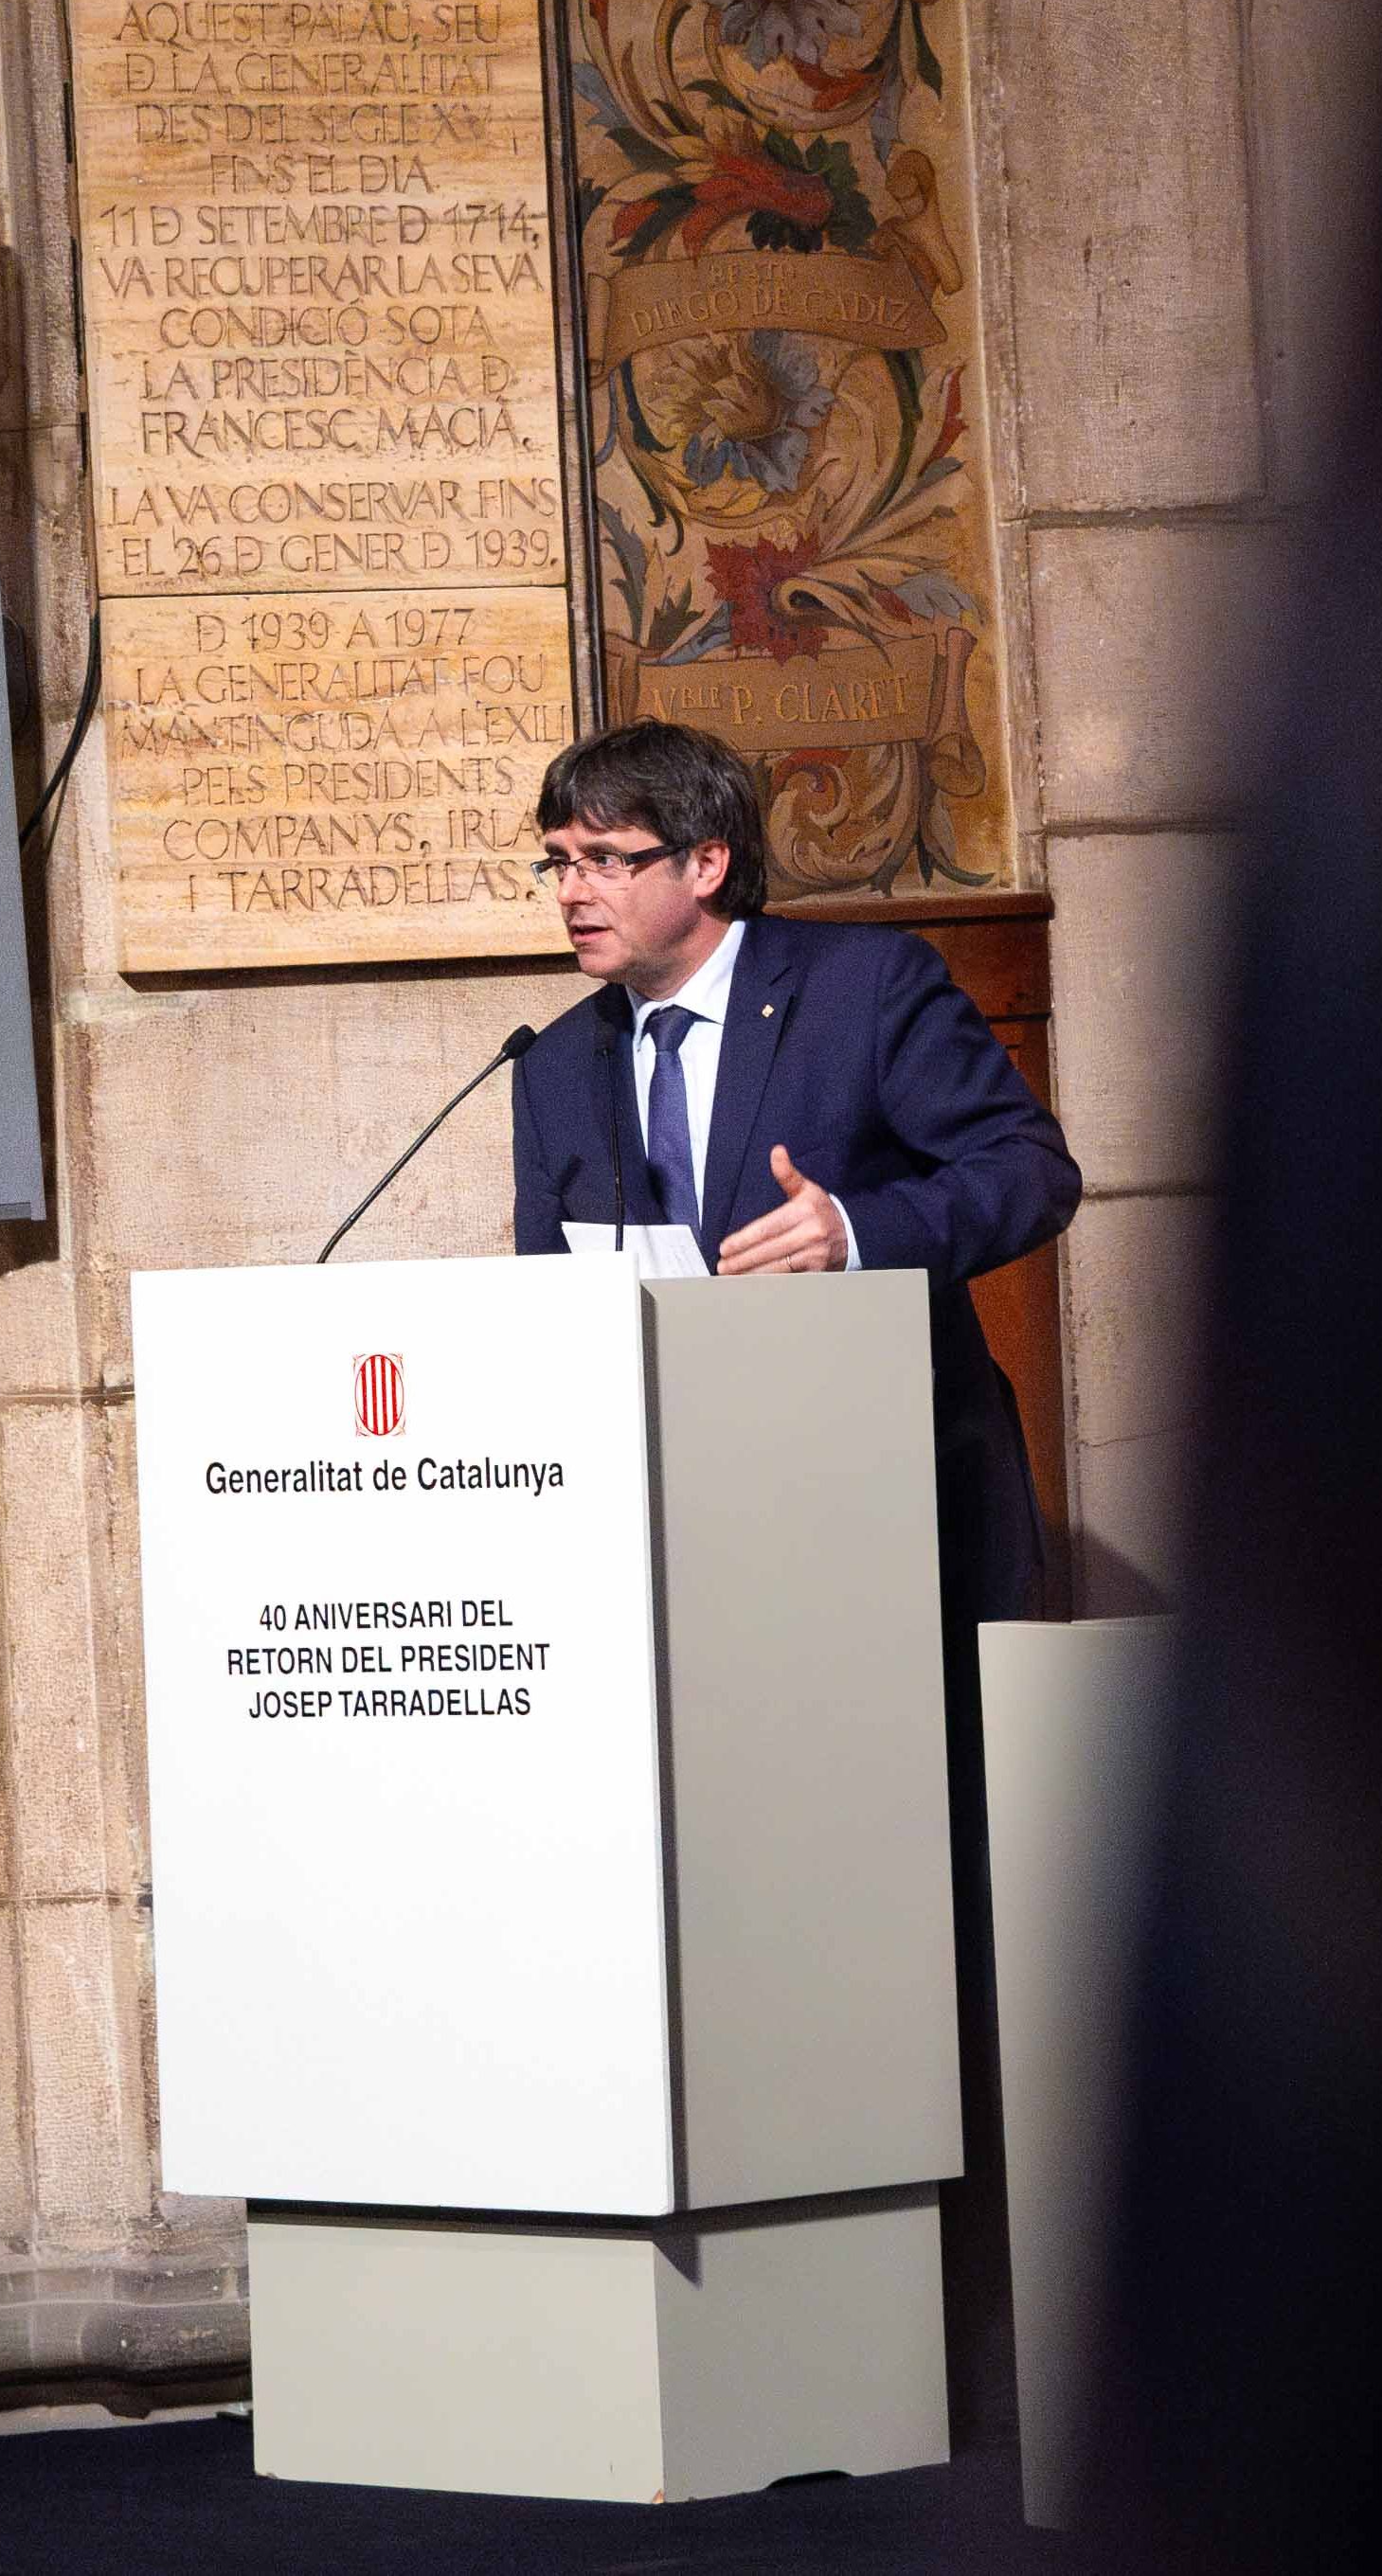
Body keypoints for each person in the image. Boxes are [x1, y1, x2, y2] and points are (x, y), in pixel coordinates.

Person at [512, 718, 1081, 2436]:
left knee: (937, 1940)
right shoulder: (552, 1065)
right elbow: (551, 1311)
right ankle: (784, 2336)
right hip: (685, 1588)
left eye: (604, 860)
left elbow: (1027, 1172)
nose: (570, 892)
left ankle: (994, 2342)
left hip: (886, 1537)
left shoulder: (858, 993)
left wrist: (857, 1232)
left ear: (705, 865)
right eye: (555, 861)